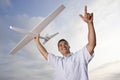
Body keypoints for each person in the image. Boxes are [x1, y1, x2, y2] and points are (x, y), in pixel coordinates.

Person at [34, 6, 96, 80]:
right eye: (60, 45)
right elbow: (44, 54)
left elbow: (91, 44)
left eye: (65, 44)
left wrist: (90, 23)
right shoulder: (57, 61)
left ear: (69, 46)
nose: (63, 46)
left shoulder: (79, 57)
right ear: (58, 49)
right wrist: (37, 42)